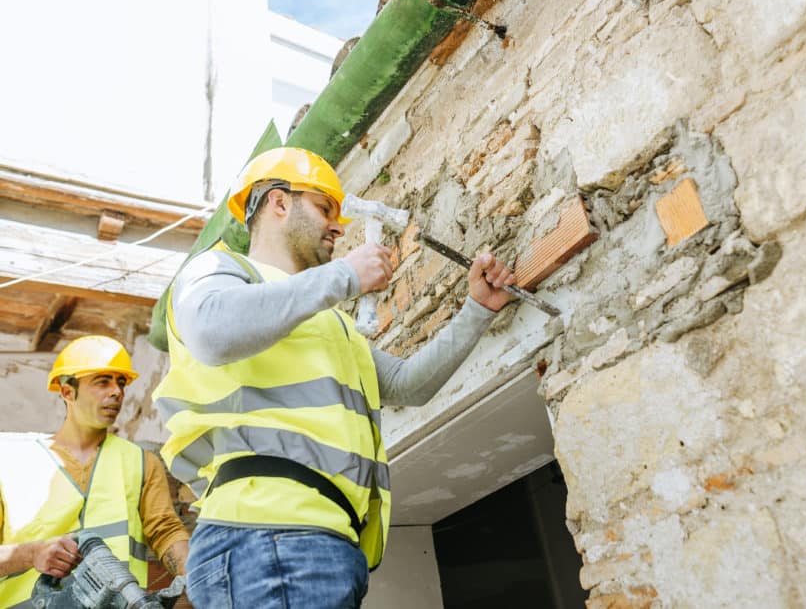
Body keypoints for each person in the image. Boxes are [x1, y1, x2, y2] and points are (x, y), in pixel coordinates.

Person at [152, 147, 517, 608]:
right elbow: (211, 332)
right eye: (325, 207)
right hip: (269, 533)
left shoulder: (330, 320)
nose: (338, 226)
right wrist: (345, 275)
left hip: (316, 540)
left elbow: (409, 385)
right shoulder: (221, 270)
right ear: (279, 203)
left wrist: (477, 310)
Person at [0, 336, 190, 607]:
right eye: (102, 381)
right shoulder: (12, 463)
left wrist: (198, 578)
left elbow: (166, 530)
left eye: (121, 383)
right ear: (67, 392)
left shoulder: (140, 462)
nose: (116, 392)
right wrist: (32, 554)